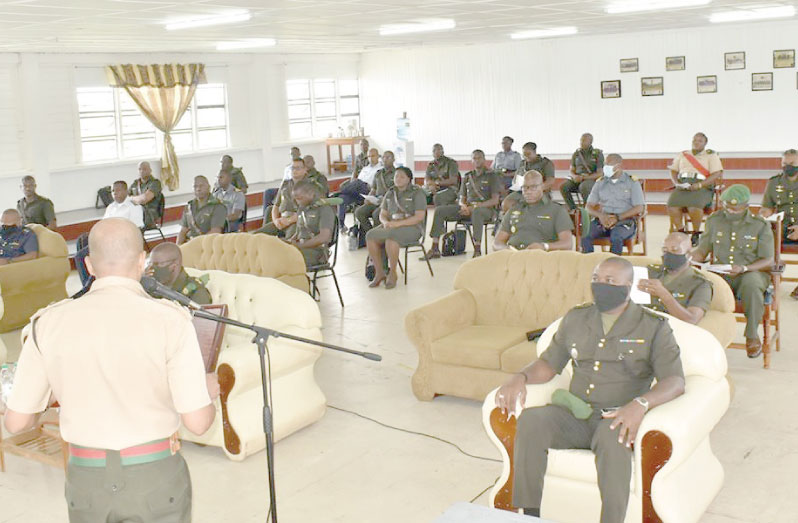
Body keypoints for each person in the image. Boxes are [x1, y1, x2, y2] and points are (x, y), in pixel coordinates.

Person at [2, 217, 218, 523]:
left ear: (89, 265)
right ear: (142, 262)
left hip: (86, 482)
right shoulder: (171, 320)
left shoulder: (47, 323)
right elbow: (197, 423)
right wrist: (207, 393)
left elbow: (16, 422)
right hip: (155, 478)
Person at [495, 257, 685, 523]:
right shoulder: (576, 317)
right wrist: (520, 376)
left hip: (617, 417)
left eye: (610, 281)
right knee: (532, 420)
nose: (600, 285)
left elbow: (675, 381)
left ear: (628, 285)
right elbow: (549, 364)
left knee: (615, 440)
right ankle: (529, 515)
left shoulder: (653, 327)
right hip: (575, 413)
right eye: (596, 279)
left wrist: (640, 404)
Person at [691, 184, 774, 357]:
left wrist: (745, 268)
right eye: (727, 207)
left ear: (746, 207)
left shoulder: (760, 225)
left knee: (752, 284)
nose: (730, 212)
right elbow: (702, 251)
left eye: (735, 209)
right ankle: (702, 334)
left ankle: (751, 335)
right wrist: (688, 260)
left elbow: (768, 259)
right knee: (697, 283)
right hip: (721, 272)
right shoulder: (715, 220)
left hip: (750, 272)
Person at [424, 150, 501, 259]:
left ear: (484, 160)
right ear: (471, 160)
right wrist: (463, 205)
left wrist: (474, 207)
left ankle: (477, 249)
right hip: (467, 208)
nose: (477, 160)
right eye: (474, 158)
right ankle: (435, 247)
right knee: (440, 210)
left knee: (477, 212)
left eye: (479, 158)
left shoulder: (492, 176)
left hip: (485, 210)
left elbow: (495, 200)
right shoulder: (468, 177)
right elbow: (462, 198)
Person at [366, 166, 427, 289]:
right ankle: (380, 273)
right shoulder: (390, 192)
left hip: (412, 227)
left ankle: (393, 273)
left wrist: (397, 224)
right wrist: (384, 222)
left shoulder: (417, 192)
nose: (398, 179)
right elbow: (383, 214)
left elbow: (419, 217)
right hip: (392, 226)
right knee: (370, 235)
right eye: (396, 176)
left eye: (402, 177)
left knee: (392, 238)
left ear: (409, 179)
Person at [638, 232, 712, 325]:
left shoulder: (700, 284)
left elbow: (691, 319)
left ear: (688, 255)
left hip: (670, 331)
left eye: (675, 250)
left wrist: (663, 294)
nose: (668, 255)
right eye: (665, 250)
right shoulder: (650, 272)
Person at [493, 171, 573, 252]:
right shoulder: (514, 210)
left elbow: (567, 243)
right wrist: (508, 249)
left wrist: (544, 246)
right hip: (514, 256)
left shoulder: (556, 210)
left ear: (542, 186)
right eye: (525, 187)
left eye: (533, 187)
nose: (528, 191)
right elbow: (497, 243)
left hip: (542, 257)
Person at [582, 154, 645, 255]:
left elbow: (639, 208)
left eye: (608, 165)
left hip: (624, 221)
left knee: (616, 237)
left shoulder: (632, 182)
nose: (605, 168)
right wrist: (601, 216)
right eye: (605, 165)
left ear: (618, 166)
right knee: (586, 234)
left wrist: (617, 218)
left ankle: (613, 266)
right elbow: (588, 207)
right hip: (603, 219)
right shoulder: (600, 182)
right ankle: (589, 263)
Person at [666, 132, 723, 234]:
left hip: (702, 185)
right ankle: (681, 231)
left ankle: (695, 233)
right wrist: (676, 183)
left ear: (705, 143)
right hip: (683, 184)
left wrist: (700, 185)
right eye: (694, 140)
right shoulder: (683, 154)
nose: (696, 142)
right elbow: (673, 170)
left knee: (694, 207)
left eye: (700, 141)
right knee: (672, 205)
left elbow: (716, 173)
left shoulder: (711, 155)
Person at [760, 149, 798, 298]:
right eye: (785, 164)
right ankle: (770, 278)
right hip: (782, 224)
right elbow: (767, 207)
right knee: (762, 237)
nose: (788, 167)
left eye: (792, 164)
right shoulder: (774, 182)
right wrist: (764, 215)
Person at [285, 181, 335, 269]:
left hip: (317, 252)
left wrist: (300, 246)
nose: (297, 202)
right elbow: (299, 232)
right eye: (295, 199)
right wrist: (289, 242)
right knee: (273, 254)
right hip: (301, 247)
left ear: (311, 194)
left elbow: (324, 237)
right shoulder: (302, 209)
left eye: (299, 198)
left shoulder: (324, 209)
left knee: (284, 261)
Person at [256, 157, 309, 236]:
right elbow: (276, 206)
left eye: (298, 168)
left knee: (288, 243)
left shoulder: (310, 187)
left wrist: (288, 221)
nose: (294, 171)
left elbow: (309, 211)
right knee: (256, 236)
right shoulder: (285, 184)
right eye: (292, 168)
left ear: (305, 170)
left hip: (297, 222)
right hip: (281, 221)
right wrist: (276, 221)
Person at [147, 242, 212, 305]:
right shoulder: (151, 286)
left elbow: (201, 315)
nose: (152, 268)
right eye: (150, 263)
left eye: (158, 264)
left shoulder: (195, 291)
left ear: (174, 265)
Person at [337, 147, 382, 231]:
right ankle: (341, 225)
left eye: (373, 156)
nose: (370, 158)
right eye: (369, 156)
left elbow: (376, 186)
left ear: (378, 156)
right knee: (342, 198)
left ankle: (337, 193)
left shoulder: (380, 169)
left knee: (359, 182)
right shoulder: (365, 169)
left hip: (369, 191)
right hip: (357, 191)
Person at [355, 151, 396, 235]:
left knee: (376, 214)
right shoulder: (378, 173)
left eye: (388, 157)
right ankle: (370, 234)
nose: (385, 159)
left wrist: (384, 200)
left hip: (389, 203)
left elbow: (397, 192)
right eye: (383, 157)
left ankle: (378, 237)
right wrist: (368, 198)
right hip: (376, 201)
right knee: (359, 212)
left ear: (393, 159)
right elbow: (373, 189)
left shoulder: (397, 174)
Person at [176, 175, 226, 245]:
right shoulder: (189, 207)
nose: (198, 189)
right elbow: (183, 231)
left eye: (201, 186)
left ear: (209, 187)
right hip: (189, 244)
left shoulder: (217, 206)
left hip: (207, 245)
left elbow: (215, 232)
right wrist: (178, 247)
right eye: (195, 186)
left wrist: (195, 244)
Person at [561, 133, 604, 211]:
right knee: (564, 186)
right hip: (577, 178)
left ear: (590, 142)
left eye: (584, 140)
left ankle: (587, 209)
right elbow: (571, 170)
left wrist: (584, 177)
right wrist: (574, 176)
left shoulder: (597, 154)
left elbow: (599, 173)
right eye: (581, 140)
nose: (581, 142)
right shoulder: (576, 154)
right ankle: (573, 209)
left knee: (584, 187)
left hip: (590, 179)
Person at [263, 147, 301, 213]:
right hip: (285, 187)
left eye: (295, 153)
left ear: (299, 154)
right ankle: (266, 215)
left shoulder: (302, 165)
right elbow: (284, 181)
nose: (293, 155)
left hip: (295, 188)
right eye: (291, 154)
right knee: (268, 192)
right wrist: (279, 192)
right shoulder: (288, 167)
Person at [129, 161, 163, 228]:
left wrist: (132, 198)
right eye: (139, 169)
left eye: (144, 169)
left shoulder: (155, 183)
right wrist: (137, 199)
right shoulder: (135, 183)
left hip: (149, 214)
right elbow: (126, 197)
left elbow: (144, 199)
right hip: (136, 211)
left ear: (150, 170)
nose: (141, 171)